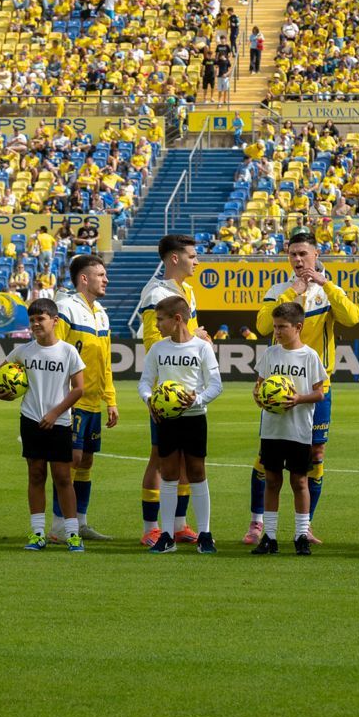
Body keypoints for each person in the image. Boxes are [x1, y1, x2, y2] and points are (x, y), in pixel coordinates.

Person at [249, 232, 359, 544]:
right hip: (278, 385)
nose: (298, 260)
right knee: (265, 457)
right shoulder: (279, 290)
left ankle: (305, 524)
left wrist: (325, 284)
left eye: (303, 254)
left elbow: (352, 318)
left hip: (316, 385)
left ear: (316, 253)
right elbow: (261, 326)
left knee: (316, 453)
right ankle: (257, 522)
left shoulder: (328, 292)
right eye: (293, 254)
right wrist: (292, 293)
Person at [0, 298, 86, 552]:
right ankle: (37, 534)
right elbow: (0, 378)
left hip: (58, 421)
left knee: (62, 477)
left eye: (41, 319)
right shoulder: (23, 351)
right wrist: (2, 392)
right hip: (30, 420)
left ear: (54, 321)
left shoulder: (68, 351)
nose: (36, 324)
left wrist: (55, 412)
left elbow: (79, 388)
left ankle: (72, 534)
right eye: (32, 320)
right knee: (35, 474)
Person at [133, 234, 203, 546]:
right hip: (167, 390)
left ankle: (178, 524)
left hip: (189, 387)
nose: (196, 261)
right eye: (191, 256)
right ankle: (151, 527)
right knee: (160, 458)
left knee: (186, 460)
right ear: (174, 259)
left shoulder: (186, 291)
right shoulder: (156, 293)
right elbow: (152, 341)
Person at [140, 295, 222, 554]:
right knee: (169, 474)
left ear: (177, 319)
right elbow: (144, 382)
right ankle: (166, 535)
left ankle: (205, 533)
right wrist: (150, 400)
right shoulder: (158, 349)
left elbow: (216, 385)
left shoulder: (202, 348)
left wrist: (196, 400)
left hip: (194, 418)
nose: (157, 326)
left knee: (197, 472)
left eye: (160, 320)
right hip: (167, 420)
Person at [252, 301, 328, 556]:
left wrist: (298, 399)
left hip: (298, 430)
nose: (277, 332)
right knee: (272, 481)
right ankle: (270, 537)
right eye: (275, 327)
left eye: (282, 327)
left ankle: (301, 535)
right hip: (272, 429)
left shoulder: (309, 356)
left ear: (298, 326)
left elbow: (319, 393)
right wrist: (260, 397)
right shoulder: (271, 353)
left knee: (300, 481)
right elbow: (259, 386)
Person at [52, 254, 117, 541]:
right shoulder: (65, 308)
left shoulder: (101, 312)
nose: (106, 279)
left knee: (87, 461)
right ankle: (58, 524)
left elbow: (105, 362)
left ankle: (80, 521)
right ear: (84, 279)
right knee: (70, 459)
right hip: (71, 400)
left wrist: (110, 399)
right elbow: (53, 352)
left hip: (93, 401)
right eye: (101, 275)